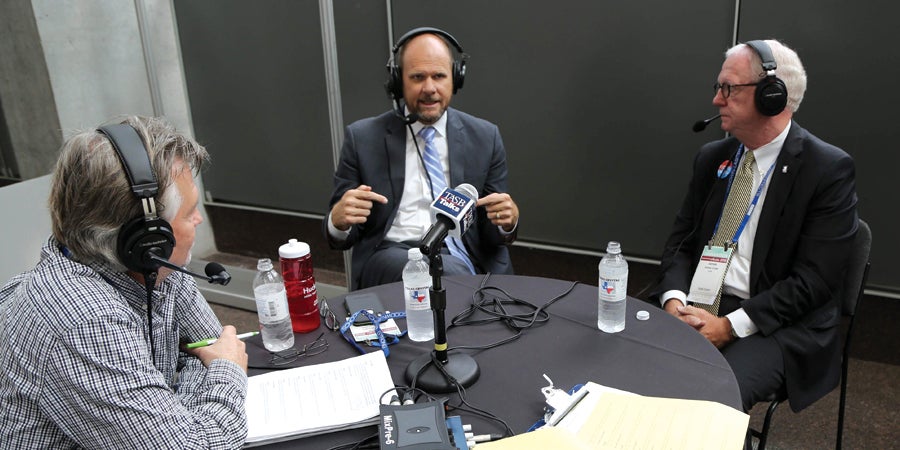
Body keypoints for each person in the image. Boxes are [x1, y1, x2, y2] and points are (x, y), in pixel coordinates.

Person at [0, 116, 249, 448]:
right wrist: (227, 374)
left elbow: (208, 346)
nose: (199, 220)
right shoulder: (84, 321)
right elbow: (194, 442)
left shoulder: (158, 269)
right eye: (188, 214)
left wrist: (181, 404)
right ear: (146, 238)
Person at [655, 39, 858, 413]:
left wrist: (729, 326)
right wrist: (674, 303)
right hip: (697, 303)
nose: (717, 100)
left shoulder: (826, 169)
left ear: (772, 96)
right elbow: (680, 244)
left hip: (775, 322)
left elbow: (812, 283)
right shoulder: (712, 158)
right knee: (614, 357)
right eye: (718, 88)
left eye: (728, 89)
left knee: (706, 395)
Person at [324, 27, 520, 290]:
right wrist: (338, 221)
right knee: (448, 273)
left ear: (455, 78)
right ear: (398, 81)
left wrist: (507, 222)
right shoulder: (362, 138)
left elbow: (491, 232)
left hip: (467, 257)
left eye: (439, 76)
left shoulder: (485, 136)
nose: (429, 88)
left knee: (456, 274)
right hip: (391, 255)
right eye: (417, 77)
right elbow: (343, 235)